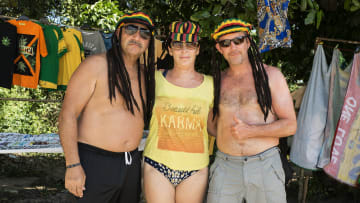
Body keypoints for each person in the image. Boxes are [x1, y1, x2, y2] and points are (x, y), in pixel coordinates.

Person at [58, 11, 155, 202]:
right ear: (118, 34)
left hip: (131, 164)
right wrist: (72, 165)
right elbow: (67, 115)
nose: (137, 37)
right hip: (94, 162)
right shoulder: (95, 65)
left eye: (144, 33)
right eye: (131, 29)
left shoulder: (145, 75)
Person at [206, 18, 297, 203]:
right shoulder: (216, 81)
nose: (233, 47)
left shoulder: (271, 76)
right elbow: (212, 126)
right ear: (219, 48)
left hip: (265, 166)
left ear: (248, 42)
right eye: (225, 43)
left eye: (238, 40)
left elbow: (290, 125)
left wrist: (252, 132)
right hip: (225, 166)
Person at [143, 21, 214, 203]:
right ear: (170, 48)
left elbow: (215, 126)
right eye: (178, 45)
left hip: (195, 168)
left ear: (198, 49)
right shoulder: (154, 79)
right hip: (157, 164)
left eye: (190, 45)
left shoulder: (212, 84)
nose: (184, 51)